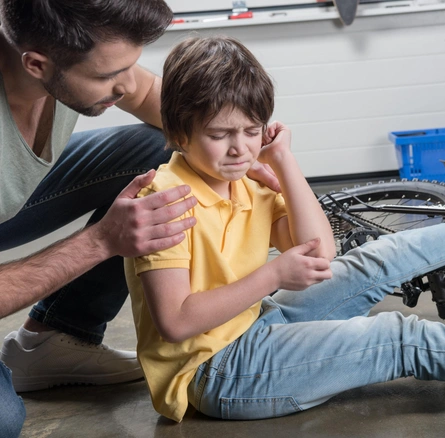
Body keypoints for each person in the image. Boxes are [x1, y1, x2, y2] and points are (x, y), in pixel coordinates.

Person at [125, 34, 445, 424]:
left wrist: (285, 163)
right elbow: (177, 322)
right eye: (220, 135)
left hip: (257, 322)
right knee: (397, 338)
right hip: (218, 372)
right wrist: (274, 275)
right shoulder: (164, 201)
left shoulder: (243, 174)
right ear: (178, 130)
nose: (240, 148)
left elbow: (320, 251)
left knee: (385, 256)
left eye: (250, 131)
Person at [0, 1, 278, 437]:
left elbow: (153, 98)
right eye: (108, 76)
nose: (125, 85)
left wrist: (239, 146)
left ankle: (53, 338)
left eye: (129, 66)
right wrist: (99, 241)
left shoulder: (70, 54)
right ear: (36, 64)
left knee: (160, 145)